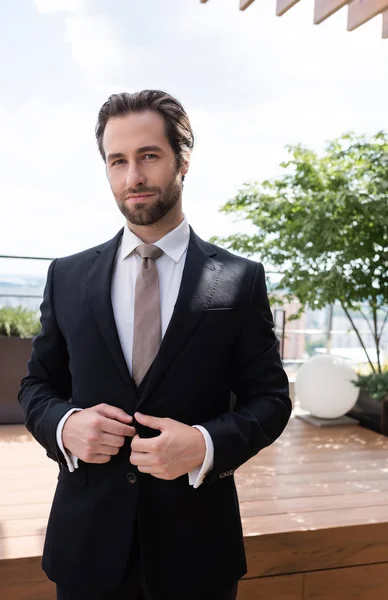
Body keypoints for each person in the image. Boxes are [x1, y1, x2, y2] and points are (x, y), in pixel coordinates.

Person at [19, 90, 292, 600]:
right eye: (117, 161)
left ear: (183, 160)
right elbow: (38, 384)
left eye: (148, 156)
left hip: (197, 547)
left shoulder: (240, 279)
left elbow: (272, 401)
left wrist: (206, 445)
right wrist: (64, 425)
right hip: (86, 546)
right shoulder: (67, 276)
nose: (133, 178)